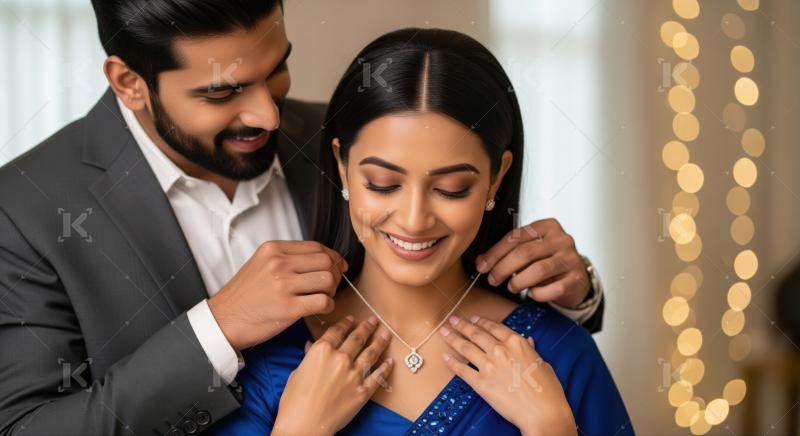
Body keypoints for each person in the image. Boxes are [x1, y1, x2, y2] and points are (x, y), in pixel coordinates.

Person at [0, 2, 605, 434]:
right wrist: (219, 326)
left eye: (276, 70)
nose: (267, 114)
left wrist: (573, 294)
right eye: (224, 92)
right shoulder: (26, 208)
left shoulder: (355, 138)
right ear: (129, 82)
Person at [211, 28, 632, 436]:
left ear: (496, 177)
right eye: (383, 183)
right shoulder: (273, 362)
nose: (414, 220)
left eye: (451, 189)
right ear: (342, 165)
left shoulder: (559, 355)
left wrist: (551, 427)